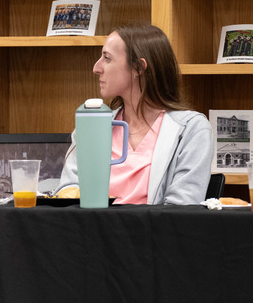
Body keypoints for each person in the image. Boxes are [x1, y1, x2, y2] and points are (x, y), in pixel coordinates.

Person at [58, 24, 211, 206]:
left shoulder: (192, 130)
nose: (96, 68)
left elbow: (180, 212)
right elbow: (68, 196)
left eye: (107, 58)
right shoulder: (90, 126)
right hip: (91, 232)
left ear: (138, 67)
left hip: (154, 234)